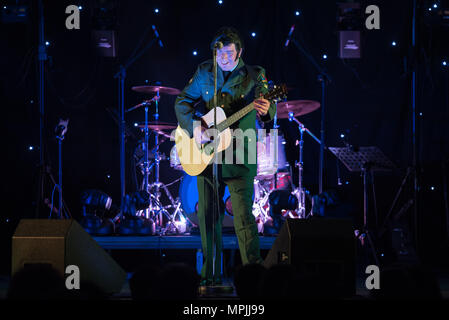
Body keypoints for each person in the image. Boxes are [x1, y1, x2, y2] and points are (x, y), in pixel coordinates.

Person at [174, 26, 276, 285]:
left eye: (229, 53)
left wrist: (267, 108)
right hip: (208, 156)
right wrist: (195, 127)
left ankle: (254, 277)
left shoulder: (255, 74)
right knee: (208, 219)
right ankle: (210, 277)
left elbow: (268, 104)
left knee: (244, 219)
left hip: (240, 154)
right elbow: (182, 102)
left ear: (240, 51)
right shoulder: (204, 71)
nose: (224, 59)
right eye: (219, 54)